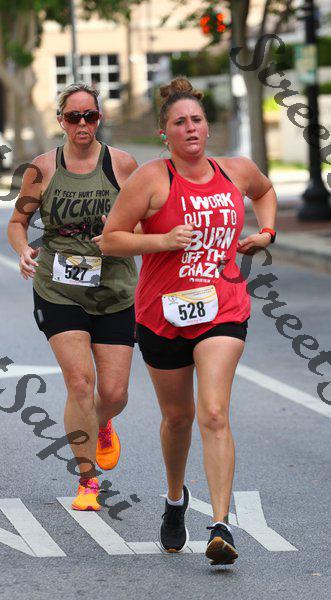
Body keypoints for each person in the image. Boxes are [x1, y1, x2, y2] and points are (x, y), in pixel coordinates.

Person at [101, 77, 277, 565]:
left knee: (214, 413)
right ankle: (176, 497)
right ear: (165, 133)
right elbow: (111, 239)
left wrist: (266, 232)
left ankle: (221, 525)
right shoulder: (151, 179)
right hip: (162, 314)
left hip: (223, 307)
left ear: (208, 127)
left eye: (196, 119)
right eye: (179, 122)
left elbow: (265, 191)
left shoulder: (236, 171)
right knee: (177, 418)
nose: (190, 128)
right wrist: (161, 241)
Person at [8, 83, 138, 511]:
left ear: (100, 118)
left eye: (90, 116)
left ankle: (101, 423)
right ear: (60, 120)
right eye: (73, 116)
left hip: (115, 288)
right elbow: (18, 222)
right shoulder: (42, 168)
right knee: (80, 382)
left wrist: (125, 236)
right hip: (58, 289)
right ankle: (88, 481)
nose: (82, 123)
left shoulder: (122, 164)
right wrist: (23, 250)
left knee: (114, 394)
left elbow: (144, 220)